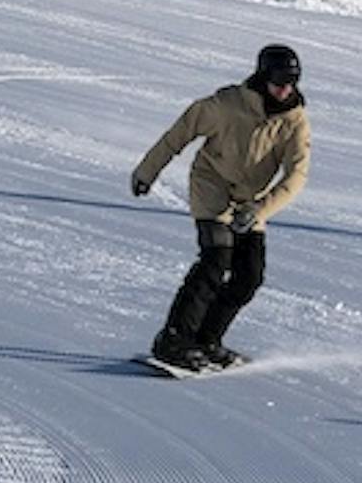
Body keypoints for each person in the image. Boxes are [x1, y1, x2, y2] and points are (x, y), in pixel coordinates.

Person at [129, 44, 313, 370]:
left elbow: (296, 176)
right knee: (216, 259)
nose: (285, 89)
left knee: (248, 276)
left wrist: (259, 210)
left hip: (250, 201)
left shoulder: (294, 121)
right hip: (211, 185)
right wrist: (147, 172)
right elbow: (179, 134)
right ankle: (173, 339)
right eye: (279, 80)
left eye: (291, 81)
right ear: (263, 76)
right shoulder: (227, 104)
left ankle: (207, 339)